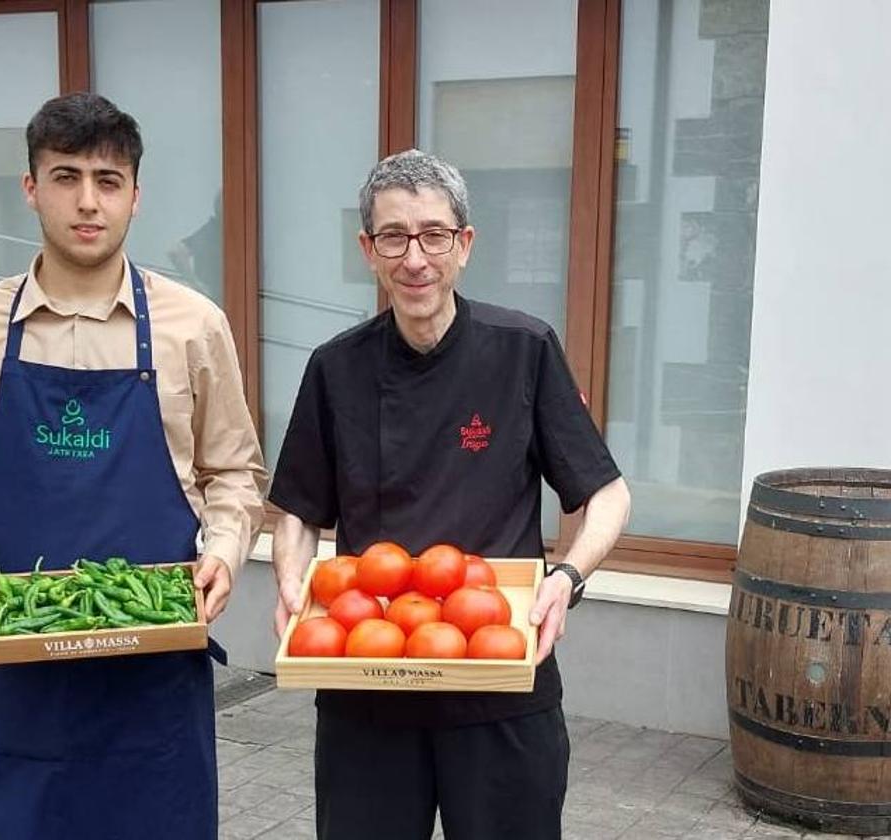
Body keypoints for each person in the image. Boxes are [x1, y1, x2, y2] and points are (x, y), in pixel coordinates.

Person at [0, 92, 266, 839]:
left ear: (135, 195)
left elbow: (235, 472)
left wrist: (226, 555)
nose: (87, 202)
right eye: (65, 177)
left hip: (157, 668)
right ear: (32, 188)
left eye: (107, 180)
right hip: (24, 666)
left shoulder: (193, 327)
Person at [269, 149, 631, 840]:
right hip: (368, 684)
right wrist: (292, 581)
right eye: (394, 237)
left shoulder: (523, 349)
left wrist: (567, 576)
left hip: (498, 679)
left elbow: (606, 494)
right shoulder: (335, 368)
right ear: (367, 250)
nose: (415, 258)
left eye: (434, 234)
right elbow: (299, 512)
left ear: (464, 244)